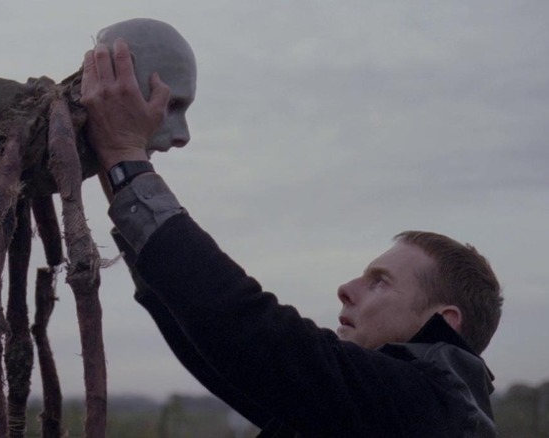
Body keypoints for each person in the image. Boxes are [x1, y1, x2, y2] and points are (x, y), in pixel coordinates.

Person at [80, 39, 503, 437]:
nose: (346, 290)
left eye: (380, 281)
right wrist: (116, 168)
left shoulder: (433, 409)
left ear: (444, 323)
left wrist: (125, 158)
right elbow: (225, 354)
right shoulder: (358, 415)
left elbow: (252, 332)